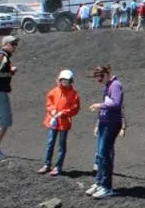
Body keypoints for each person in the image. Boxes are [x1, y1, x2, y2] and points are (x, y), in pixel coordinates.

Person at [87, 64, 125, 199]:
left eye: (100, 78)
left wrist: (99, 105)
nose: (99, 81)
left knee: (105, 155)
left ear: (107, 74)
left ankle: (106, 187)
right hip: (104, 123)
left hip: (111, 124)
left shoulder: (115, 85)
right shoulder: (107, 86)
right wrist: (98, 123)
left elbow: (116, 103)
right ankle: (99, 182)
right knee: (99, 154)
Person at [39, 70, 81, 175]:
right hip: (53, 121)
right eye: (63, 80)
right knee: (50, 143)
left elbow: (75, 108)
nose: (64, 82)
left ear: (70, 81)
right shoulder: (54, 91)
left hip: (64, 122)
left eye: (66, 80)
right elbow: (49, 103)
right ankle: (47, 164)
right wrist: (53, 110)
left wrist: (64, 113)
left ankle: (58, 167)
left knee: (61, 145)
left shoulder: (74, 94)